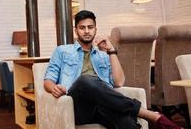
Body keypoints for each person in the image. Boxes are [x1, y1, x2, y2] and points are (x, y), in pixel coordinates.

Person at [44, 10, 182, 129]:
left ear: (95, 29)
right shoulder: (62, 51)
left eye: (90, 27)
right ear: (76, 31)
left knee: (127, 122)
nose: (86, 31)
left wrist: (111, 51)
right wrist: (54, 88)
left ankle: (159, 122)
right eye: (82, 27)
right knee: (85, 80)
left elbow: (119, 82)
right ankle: (150, 114)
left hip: (103, 105)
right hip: (77, 107)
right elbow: (48, 79)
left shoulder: (103, 55)